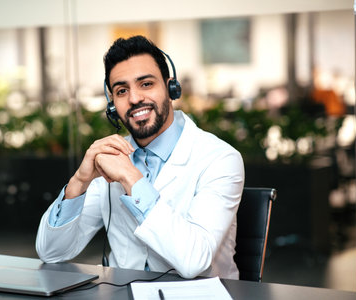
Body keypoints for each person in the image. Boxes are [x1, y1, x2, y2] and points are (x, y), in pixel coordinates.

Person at [35, 35, 244, 279]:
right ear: (112, 104)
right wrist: (79, 182)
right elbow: (51, 252)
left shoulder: (220, 159)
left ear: (170, 88)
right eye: (122, 90)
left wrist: (131, 178)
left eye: (146, 84)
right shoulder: (111, 157)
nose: (134, 99)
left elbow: (194, 261)